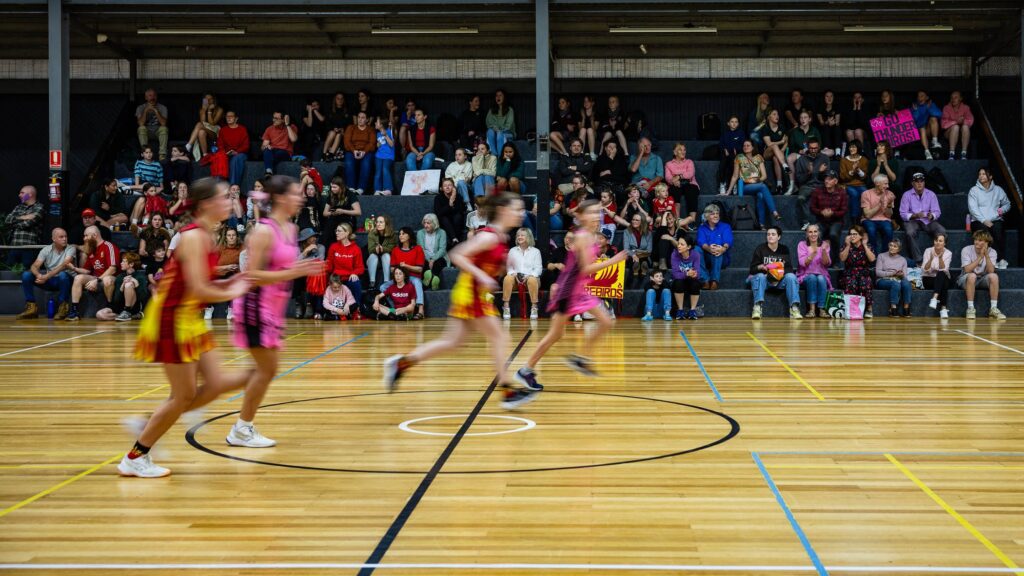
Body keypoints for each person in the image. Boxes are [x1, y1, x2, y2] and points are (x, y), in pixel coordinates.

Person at [122, 178, 253, 477]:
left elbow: (202, 285)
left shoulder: (207, 236)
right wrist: (235, 290)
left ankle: (151, 421)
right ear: (206, 204)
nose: (231, 200)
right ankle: (135, 456)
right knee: (182, 396)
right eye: (224, 197)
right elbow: (199, 289)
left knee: (216, 383)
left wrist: (233, 281)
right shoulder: (193, 237)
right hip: (173, 316)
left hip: (189, 315)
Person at [384, 193, 539, 409]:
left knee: (452, 342)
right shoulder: (489, 236)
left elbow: (484, 260)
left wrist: (502, 263)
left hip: (471, 292)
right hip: (471, 292)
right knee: (500, 337)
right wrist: (482, 275)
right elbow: (457, 255)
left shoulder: (500, 237)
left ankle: (401, 364)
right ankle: (507, 390)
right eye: (517, 209)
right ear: (503, 210)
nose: (521, 213)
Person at [228, 176, 322, 448]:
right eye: (295, 193)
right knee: (266, 370)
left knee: (264, 370)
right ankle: (239, 427)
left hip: (273, 308)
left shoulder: (291, 229)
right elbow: (252, 275)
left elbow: (283, 268)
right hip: (254, 306)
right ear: (281, 198)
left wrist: (298, 267)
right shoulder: (264, 231)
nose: (301, 197)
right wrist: (296, 270)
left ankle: (235, 422)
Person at [513, 200, 629, 391]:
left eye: (598, 213)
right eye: (591, 213)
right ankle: (526, 370)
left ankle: (581, 359)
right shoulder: (583, 236)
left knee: (606, 321)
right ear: (581, 216)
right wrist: (613, 261)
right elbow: (584, 269)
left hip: (579, 289)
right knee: (555, 334)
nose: (596, 216)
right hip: (568, 291)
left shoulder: (591, 236)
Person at [15, 228, 76, 321]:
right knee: (26, 275)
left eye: (66, 236)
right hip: (50, 280)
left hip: (65, 281)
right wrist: (38, 275)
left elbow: (65, 264)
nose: (65, 239)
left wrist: (46, 276)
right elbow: (34, 266)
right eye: (61, 237)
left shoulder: (71, 248)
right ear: (54, 239)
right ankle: (31, 307)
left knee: (63, 274)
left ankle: (63, 308)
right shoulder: (46, 250)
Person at [66, 225, 120, 321]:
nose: (84, 238)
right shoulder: (92, 250)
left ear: (95, 235)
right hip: (97, 279)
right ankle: (74, 311)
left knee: (107, 279)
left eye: (86, 236)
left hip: (112, 279)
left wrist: (97, 280)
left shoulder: (108, 246)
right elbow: (87, 270)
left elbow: (112, 269)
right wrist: (74, 268)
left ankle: (110, 307)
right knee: (78, 278)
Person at [748, 226, 802, 320]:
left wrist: (778, 273)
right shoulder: (760, 249)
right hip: (766, 280)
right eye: (768, 234)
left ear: (779, 237)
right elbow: (752, 269)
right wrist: (761, 267)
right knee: (760, 276)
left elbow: (789, 268)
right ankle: (757, 307)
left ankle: (794, 308)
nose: (770, 236)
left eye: (773, 234)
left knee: (791, 277)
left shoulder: (784, 249)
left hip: (780, 280)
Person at [727, 139, 781, 229]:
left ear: (752, 147)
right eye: (744, 145)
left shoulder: (758, 157)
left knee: (760, 195)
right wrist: (728, 191)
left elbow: (764, 176)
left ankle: (761, 224)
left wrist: (756, 180)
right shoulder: (739, 157)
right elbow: (735, 176)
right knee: (763, 186)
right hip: (744, 186)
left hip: (756, 185)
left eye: (748, 145)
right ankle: (774, 212)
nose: (745, 147)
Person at [968, 167, 1011, 269]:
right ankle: (993, 259)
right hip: (979, 220)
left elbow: (1007, 204)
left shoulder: (998, 190)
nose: (981, 176)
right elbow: (972, 208)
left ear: (990, 176)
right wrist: (984, 220)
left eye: (983, 174)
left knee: (998, 229)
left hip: (995, 219)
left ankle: (1000, 260)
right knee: (984, 231)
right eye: (979, 174)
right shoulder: (974, 190)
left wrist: (999, 211)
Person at [958, 229, 1005, 320]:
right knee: (972, 276)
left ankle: (993, 308)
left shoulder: (992, 252)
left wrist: (986, 255)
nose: (976, 242)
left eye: (980, 240)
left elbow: (991, 271)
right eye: (975, 239)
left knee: (994, 276)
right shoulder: (966, 250)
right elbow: (967, 270)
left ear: (986, 242)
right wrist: (980, 257)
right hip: (965, 279)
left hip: (982, 279)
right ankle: (970, 308)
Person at [381, 227, 427, 319]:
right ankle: (395, 309)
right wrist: (397, 270)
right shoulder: (396, 250)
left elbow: (419, 269)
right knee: (383, 287)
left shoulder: (418, 249)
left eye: (403, 234)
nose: (400, 236)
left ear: (409, 236)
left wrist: (406, 266)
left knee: (417, 282)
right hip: (399, 277)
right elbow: (392, 269)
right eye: (400, 234)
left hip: (412, 277)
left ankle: (420, 310)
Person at [900, 172, 945, 266]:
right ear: (912, 183)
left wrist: (931, 215)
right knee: (909, 232)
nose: (919, 183)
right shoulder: (906, 195)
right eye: (917, 181)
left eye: (921, 181)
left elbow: (937, 211)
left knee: (942, 231)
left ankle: (936, 257)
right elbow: (903, 214)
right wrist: (915, 216)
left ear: (924, 182)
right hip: (913, 220)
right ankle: (918, 260)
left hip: (927, 220)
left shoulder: (931, 194)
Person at [502, 227, 543, 320]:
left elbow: (538, 269)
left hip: (530, 279)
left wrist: (530, 275)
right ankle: (506, 306)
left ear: (528, 237)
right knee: (508, 278)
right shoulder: (512, 250)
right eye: (518, 235)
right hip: (516, 279)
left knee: (532, 279)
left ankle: (534, 307)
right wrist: (514, 274)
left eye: (522, 235)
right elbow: (509, 267)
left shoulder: (535, 251)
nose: (519, 237)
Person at [325, 222, 365, 316]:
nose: (336, 233)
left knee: (356, 282)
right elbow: (329, 266)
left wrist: (355, 273)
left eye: (339, 231)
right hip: (337, 278)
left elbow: (360, 267)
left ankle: (356, 309)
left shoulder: (355, 249)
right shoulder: (333, 247)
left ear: (347, 233)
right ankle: (322, 311)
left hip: (348, 277)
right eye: (336, 231)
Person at [839, 224, 876, 319]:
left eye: (855, 234)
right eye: (851, 234)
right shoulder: (846, 246)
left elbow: (872, 259)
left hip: (864, 273)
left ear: (861, 236)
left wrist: (864, 245)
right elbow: (842, 258)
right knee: (851, 282)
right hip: (850, 273)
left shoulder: (867, 246)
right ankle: (852, 309)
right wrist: (847, 245)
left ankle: (869, 309)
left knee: (866, 283)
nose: (852, 236)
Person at [810, 170, 847, 262]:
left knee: (833, 234)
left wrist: (833, 213)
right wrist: (821, 212)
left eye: (830, 179)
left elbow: (844, 210)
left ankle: (835, 260)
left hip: (836, 220)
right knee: (815, 234)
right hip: (821, 220)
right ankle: (816, 261)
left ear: (835, 181)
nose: (826, 181)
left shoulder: (842, 192)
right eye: (826, 179)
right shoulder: (817, 191)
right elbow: (812, 208)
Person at [786, 110, 826, 195]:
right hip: (800, 153)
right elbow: (791, 147)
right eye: (801, 118)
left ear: (809, 119)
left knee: (829, 152)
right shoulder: (795, 131)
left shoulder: (814, 130)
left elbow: (820, 144)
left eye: (805, 117)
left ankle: (819, 183)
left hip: (813, 152)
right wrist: (799, 151)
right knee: (789, 158)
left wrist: (811, 150)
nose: (803, 119)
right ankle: (792, 185)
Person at [793, 138, 829, 229]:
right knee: (801, 198)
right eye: (811, 148)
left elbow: (827, 178)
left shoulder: (824, 158)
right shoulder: (801, 159)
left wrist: (821, 173)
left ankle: (821, 223)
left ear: (819, 147)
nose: (813, 150)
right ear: (808, 148)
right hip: (806, 186)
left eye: (815, 148)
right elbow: (799, 179)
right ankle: (806, 222)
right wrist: (809, 173)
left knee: (824, 198)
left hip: (820, 185)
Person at [797, 224, 832, 318]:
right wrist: (812, 255)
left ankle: (821, 309)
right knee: (812, 277)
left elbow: (827, 264)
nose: (813, 234)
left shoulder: (824, 245)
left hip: (822, 274)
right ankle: (812, 310)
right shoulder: (802, 244)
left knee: (821, 278)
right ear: (807, 234)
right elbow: (803, 263)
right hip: (805, 275)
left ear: (819, 233)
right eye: (810, 232)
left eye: (815, 231)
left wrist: (824, 251)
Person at [5, 185, 45, 267]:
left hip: (29, 247)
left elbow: (27, 224)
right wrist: (24, 217)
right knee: (8, 270)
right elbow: (7, 220)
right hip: (14, 246)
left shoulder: (39, 207)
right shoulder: (18, 207)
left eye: (22, 193)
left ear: (30, 194)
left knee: (27, 272)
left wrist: (14, 222)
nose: (19, 195)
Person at [696, 203, 732, 290]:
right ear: (707, 216)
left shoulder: (725, 226)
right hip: (707, 257)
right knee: (696, 249)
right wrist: (709, 248)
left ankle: (714, 281)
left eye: (717, 213)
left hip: (721, 257)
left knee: (717, 250)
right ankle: (705, 280)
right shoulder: (702, 228)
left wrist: (723, 248)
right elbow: (701, 242)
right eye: (712, 214)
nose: (716, 216)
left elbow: (728, 241)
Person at [664, 142, 698, 229]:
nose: (683, 152)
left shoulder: (689, 162)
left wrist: (678, 176)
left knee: (692, 190)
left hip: (689, 184)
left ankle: (692, 220)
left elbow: (690, 174)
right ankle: (677, 220)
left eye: (684, 150)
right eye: (680, 150)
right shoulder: (669, 164)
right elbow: (668, 178)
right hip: (676, 184)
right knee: (674, 189)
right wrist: (674, 181)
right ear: (675, 152)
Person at [876, 238, 913, 317]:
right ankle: (893, 309)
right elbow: (878, 272)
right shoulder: (881, 256)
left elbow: (905, 276)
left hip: (897, 278)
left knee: (906, 283)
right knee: (895, 284)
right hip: (883, 280)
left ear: (899, 249)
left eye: (895, 246)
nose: (892, 247)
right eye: (890, 245)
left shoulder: (903, 260)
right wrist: (891, 273)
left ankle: (906, 308)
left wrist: (901, 274)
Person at [861, 174, 896, 256]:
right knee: (871, 230)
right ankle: (873, 256)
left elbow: (889, 215)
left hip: (884, 219)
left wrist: (889, 205)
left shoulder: (890, 194)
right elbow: (867, 215)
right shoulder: (866, 194)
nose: (887, 186)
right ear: (877, 183)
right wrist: (880, 204)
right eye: (885, 184)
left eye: (887, 183)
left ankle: (884, 256)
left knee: (888, 231)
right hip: (869, 220)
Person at [321, 176, 361, 247]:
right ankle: (329, 253)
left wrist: (343, 211)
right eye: (332, 187)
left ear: (341, 187)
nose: (332, 189)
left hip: (347, 219)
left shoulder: (350, 195)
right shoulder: (331, 195)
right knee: (327, 233)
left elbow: (358, 212)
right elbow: (325, 213)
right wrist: (332, 213)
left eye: (335, 187)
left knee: (340, 230)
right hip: (334, 218)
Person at [922, 232, 954, 319]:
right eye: (936, 240)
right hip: (928, 279)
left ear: (944, 243)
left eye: (940, 241)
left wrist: (940, 258)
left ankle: (935, 298)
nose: (938, 243)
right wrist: (931, 259)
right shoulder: (928, 251)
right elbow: (925, 269)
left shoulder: (948, 253)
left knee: (941, 274)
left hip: (941, 278)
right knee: (943, 280)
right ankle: (943, 308)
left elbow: (944, 269)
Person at [669, 235, 702, 320]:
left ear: (689, 247)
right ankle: (680, 310)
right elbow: (675, 274)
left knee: (696, 283)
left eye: (682, 244)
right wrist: (687, 274)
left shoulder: (696, 255)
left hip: (690, 281)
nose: (678, 246)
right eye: (678, 243)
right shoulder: (674, 254)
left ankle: (692, 310)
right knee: (678, 282)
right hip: (679, 281)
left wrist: (695, 274)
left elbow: (698, 271)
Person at [344, 111, 376, 194]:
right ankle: (351, 187)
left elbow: (372, 143)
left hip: (366, 151)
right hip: (352, 150)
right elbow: (347, 142)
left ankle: (361, 188)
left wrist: (364, 152)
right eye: (359, 117)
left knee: (366, 163)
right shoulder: (351, 128)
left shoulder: (370, 129)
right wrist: (353, 150)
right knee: (349, 162)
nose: (360, 119)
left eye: (363, 118)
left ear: (367, 120)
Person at [185, 93, 224, 159]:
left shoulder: (219, 109)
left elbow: (212, 124)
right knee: (201, 132)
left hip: (216, 131)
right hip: (206, 129)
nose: (208, 101)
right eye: (206, 99)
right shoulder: (202, 110)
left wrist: (209, 111)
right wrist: (204, 110)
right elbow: (203, 122)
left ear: (214, 100)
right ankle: (205, 155)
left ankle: (189, 145)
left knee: (199, 124)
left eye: (210, 99)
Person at [113, 252, 149, 322]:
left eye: (123, 261)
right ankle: (128, 316)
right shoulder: (120, 277)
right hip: (121, 307)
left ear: (131, 264)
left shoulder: (140, 277)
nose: (121, 263)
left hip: (135, 307)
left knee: (129, 284)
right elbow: (116, 300)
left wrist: (136, 283)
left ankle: (127, 311)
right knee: (101, 314)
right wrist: (122, 285)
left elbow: (143, 298)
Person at [760, 109, 789, 193]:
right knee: (774, 146)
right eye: (774, 114)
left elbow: (786, 141)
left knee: (776, 159)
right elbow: (769, 144)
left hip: (778, 153)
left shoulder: (782, 127)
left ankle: (779, 185)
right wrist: (781, 142)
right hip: (767, 153)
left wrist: (783, 150)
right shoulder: (765, 128)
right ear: (769, 117)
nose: (777, 116)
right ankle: (784, 165)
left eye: (777, 114)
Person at [136, 88, 169, 160]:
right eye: (150, 96)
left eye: (154, 95)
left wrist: (156, 111)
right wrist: (145, 111)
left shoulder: (162, 107)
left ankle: (162, 155)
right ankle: (144, 153)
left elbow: (163, 123)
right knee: (141, 128)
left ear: (156, 97)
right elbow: (141, 123)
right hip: (147, 132)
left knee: (164, 128)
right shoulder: (140, 108)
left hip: (158, 131)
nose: (152, 97)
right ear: (146, 98)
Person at [419, 213, 449, 291]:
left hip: (439, 257)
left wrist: (433, 259)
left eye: (428, 223)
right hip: (425, 257)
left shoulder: (442, 232)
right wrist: (429, 260)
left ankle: (429, 281)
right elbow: (421, 249)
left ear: (434, 223)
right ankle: (434, 281)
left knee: (438, 263)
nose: (425, 225)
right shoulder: (420, 233)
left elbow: (442, 249)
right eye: (424, 223)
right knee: (423, 263)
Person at [839, 140, 868, 220]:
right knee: (854, 194)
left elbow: (864, 176)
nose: (851, 149)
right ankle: (855, 218)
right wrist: (852, 171)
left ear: (858, 148)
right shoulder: (844, 160)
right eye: (850, 147)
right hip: (848, 184)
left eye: (854, 147)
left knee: (866, 193)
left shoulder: (864, 160)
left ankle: (866, 216)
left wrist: (858, 170)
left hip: (860, 184)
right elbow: (842, 177)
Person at [623, 212, 652, 289]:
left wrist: (635, 252)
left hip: (644, 256)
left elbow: (649, 250)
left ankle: (639, 268)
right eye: (633, 219)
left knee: (642, 259)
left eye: (637, 220)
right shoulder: (627, 231)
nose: (634, 221)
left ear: (642, 222)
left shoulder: (648, 233)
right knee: (634, 260)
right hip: (632, 256)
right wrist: (633, 254)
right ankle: (641, 270)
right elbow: (626, 249)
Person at [434, 178, 467, 245]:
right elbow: (439, 213)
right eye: (445, 185)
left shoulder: (458, 197)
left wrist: (453, 198)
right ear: (442, 188)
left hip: (456, 220)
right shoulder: (438, 198)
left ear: (453, 187)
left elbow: (461, 210)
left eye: (450, 185)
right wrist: (450, 203)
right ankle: (454, 238)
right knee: (444, 218)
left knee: (458, 217)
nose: (447, 187)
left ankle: (455, 239)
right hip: (444, 221)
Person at [941, 91, 974, 160]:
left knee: (965, 127)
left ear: (960, 99)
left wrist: (962, 121)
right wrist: (956, 122)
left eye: (955, 97)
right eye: (952, 98)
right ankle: (951, 153)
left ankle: (964, 153)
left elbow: (970, 120)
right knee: (955, 127)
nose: (953, 99)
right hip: (949, 133)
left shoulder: (966, 108)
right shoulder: (946, 108)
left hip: (962, 133)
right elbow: (943, 125)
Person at [366, 215, 396, 288]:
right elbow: (370, 249)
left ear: (386, 224)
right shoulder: (372, 233)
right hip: (373, 260)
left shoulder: (392, 234)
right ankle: (372, 282)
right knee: (373, 256)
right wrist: (375, 249)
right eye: (377, 222)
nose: (378, 224)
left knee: (386, 255)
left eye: (381, 222)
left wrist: (383, 249)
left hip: (386, 261)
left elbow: (392, 248)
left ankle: (386, 281)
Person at [911, 90, 943, 159]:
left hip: (928, 130)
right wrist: (916, 111)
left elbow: (939, 115)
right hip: (918, 131)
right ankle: (927, 151)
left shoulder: (930, 104)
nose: (920, 98)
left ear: (927, 97)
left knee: (933, 118)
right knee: (922, 128)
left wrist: (928, 108)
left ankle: (935, 141)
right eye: (918, 96)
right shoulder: (914, 106)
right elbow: (913, 121)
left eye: (922, 96)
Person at [485, 89, 516, 157]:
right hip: (495, 132)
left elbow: (509, 125)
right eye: (496, 96)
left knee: (499, 134)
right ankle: (494, 154)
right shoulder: (491, 110)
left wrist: (499, 130)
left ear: (504, 97)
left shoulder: (509, 109)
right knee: (490, 132)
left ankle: (500, 156)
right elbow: (488, 123)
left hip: (507, 133)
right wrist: (494, 128)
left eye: (500, 95)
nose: (498, 97)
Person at [719, 116, 744, 195]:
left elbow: (742, 144)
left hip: (736, 154)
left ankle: (734, 185)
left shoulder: (741, 133)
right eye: (732, 122)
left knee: (733, 164)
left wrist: (736, 148)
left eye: (736, 122)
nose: (734, 123)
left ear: (738, 124)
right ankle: (722, 184)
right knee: (722, 165)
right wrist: (725, 149)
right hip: (726, 153)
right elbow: (721, 144)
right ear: (728, 123)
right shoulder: (725, 133)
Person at [323, 92, 352, 159]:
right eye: (338, 98)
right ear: (335, 100)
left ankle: (331, 154)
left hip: (342, 133)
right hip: (331, 133)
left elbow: (350, 124)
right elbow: (327, 123)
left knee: (338, 134)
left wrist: (343, 129)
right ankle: (324, 153)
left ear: (344, 100)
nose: (340, 100)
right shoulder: (330, 110)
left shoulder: (347, 111)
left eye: (341, 98)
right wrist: (333, 128)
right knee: (333, 133)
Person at [373, 115, 396, 195]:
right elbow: (379, 145)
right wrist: (378, 145)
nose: (375, 123)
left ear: (381, 125)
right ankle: (377, 189)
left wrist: (386, 135)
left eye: (377, 122)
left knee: (385, 170)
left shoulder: (389, 131)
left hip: (388, 156)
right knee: (378, 172)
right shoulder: (378, 133)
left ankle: (388, 189)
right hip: (378, 156)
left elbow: (392, 144)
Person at [817, 90, 842, 155]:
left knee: (837, 128)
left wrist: (833, 123)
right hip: (824, 129)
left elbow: (837, 122)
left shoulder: (836, 107)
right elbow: (821, 122)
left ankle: (837, 152)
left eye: (831, 96)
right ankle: (826, 150)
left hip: (834, 128)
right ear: (824, 98)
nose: (829, 98)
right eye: (827, 96)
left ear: (833, 98)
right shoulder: (820, 107)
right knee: (826, 127)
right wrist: (827, 122)